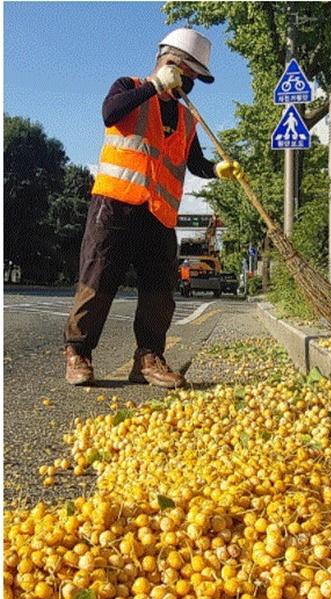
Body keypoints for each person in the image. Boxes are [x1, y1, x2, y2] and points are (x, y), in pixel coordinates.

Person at [64, 28, 245, 387]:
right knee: (97, 281)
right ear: (168, 62)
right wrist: (154, 86)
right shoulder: (128, 88)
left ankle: (147, 359)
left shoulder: (187, 118)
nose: (189, 84)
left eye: (193, 79)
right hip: (114, 207)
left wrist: (216, 170)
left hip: (159, 214)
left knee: (159, 292)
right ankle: (78, 353)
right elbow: (109, 113)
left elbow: (194, 163)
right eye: (186, 74)